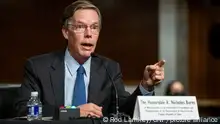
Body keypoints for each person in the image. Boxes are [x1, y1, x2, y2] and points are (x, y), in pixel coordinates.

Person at [14, 0, 165, 118]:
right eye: (81, 26)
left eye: (94, 27)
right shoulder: (38, 67)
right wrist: (72, 112)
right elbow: (24, 110)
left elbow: (124, 111)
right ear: (66, 32)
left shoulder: (109, 69)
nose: (89, 34)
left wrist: (145, 86)